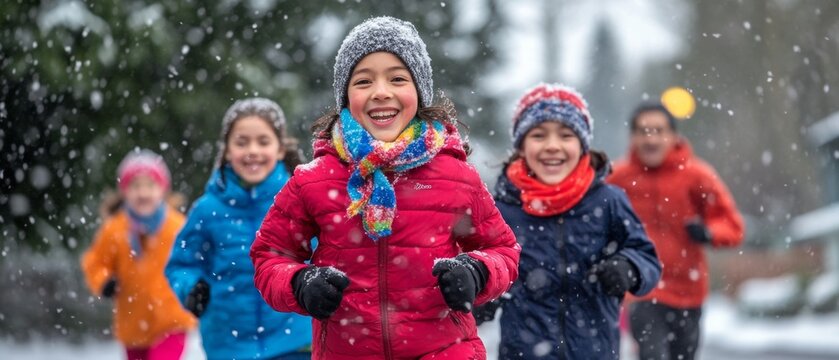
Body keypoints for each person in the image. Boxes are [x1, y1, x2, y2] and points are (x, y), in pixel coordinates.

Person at [250, 16, 521, 359]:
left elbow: (504, 250)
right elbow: (270, 255)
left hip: (445, 351)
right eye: (364, 81)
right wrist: (299, 284)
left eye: (397, 78)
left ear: (418, 92)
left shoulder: (458, 176)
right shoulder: (313, 179)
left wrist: (478, 271)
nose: (381, 92)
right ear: (346, 96)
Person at [476, 84, 661, 359]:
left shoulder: (608, 201)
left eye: (566, 135)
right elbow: (484, 271)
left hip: (594, 351)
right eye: (539, 135)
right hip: (524, 352)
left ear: (582, 144)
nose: (553, 146)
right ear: (521, 146)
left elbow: (647, 257)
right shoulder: (502, 209)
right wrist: (480, 291)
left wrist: (629, 267)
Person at [165, 98, 312, 360]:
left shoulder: (300, 199)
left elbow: (325, 253)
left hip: (294, 339)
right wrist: (191, 288)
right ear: (226, 150)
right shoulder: (207, 209)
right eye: (241, 142)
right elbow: (180, 263)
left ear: (280, 149)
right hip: (228, 344)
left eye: (263, 142)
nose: (252, 151)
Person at [608, 102, 744, 360]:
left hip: (688, 291)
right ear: (633, 137)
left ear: (673, 135)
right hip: (643, 289)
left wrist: (709, 232)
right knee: (653, 354)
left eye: (658, 131)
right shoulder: (619, 178)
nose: (651, 139)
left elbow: (732, 225)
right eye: (643, 131)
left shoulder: (697, 175)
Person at [81, 149, 196, 360]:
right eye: (135, 186)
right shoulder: (115, 229)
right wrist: (104, 281)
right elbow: (94, 262)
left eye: (150, 185)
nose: (143, 193)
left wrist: (193, 286)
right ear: (124, 191)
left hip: (172, 321)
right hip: (132, 324)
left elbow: (195, 261)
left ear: (163, 190)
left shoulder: (177, 226)